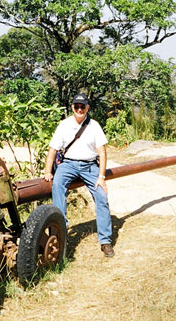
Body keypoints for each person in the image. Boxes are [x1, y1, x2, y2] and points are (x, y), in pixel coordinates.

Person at [44, 93, 115, 258]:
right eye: (77, 106)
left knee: (102, 197)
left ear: (87, 108)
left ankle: (105, 241)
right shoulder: (64, 125)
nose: (80, 109)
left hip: (90, 166)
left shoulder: (94, 126)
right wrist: (48, 171)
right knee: (57, 186)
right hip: (68, 164)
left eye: (83, 106)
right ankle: (61, 233)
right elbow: (53, 150)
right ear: (72, 108)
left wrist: (101, 177)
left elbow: (102, 153)